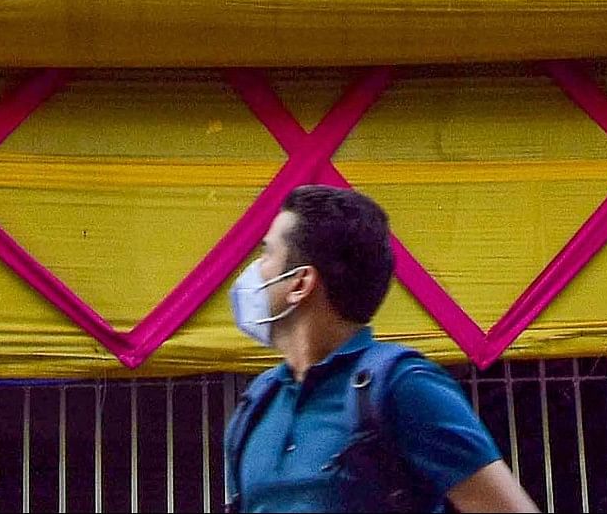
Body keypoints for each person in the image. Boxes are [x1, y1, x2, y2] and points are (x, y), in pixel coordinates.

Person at [222, 185, 537, 513]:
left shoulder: (402, 385)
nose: (254, 271)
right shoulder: (257, 404)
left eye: (267, 253)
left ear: (300, 283)